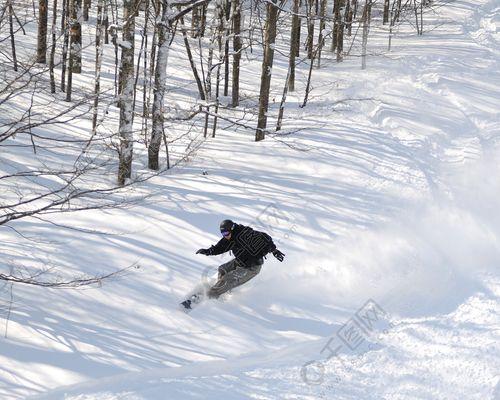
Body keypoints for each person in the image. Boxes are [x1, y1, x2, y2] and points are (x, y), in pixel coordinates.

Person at [196, 219, 285, 300]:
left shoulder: (246, 234)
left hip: (251, 267)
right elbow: (219, 248)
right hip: (240, 261)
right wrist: (207, 251)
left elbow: (265, 238)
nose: (225, 236)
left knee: (228, 279)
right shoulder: (229, 238)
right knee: (222, 269)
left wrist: (274, 251)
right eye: (223, 234)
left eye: (226, 233)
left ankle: (210, 296)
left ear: (232, 229)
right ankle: (222, 289)